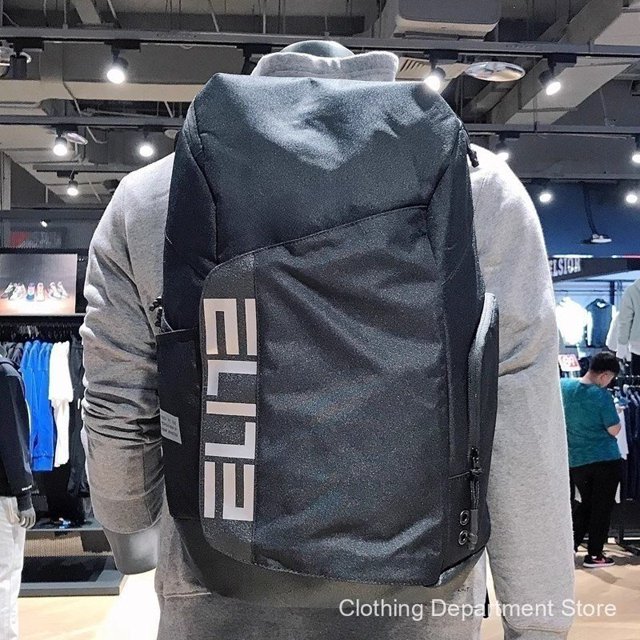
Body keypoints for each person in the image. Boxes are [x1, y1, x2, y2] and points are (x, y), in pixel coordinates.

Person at [80, 40, 575, 639]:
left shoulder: (151, 194)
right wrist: (539, 614)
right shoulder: (482, 187)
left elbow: (119, 397)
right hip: (423, 590)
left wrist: (128, 521)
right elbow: (520, 395)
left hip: (220, 576)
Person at [560, 351, 623, 568]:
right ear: (604, 375)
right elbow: (614, 429)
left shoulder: (564, 387)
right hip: (604, 459)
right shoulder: (601, 396)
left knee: (585, 504)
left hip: (576, 460)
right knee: (601, 508)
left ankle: (570, 547)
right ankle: (595, 554)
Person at [0, 351, 36, 640]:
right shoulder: (6, 375)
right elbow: (13, 439)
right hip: (5, 495)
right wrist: (24, 494)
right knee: (6, 575)